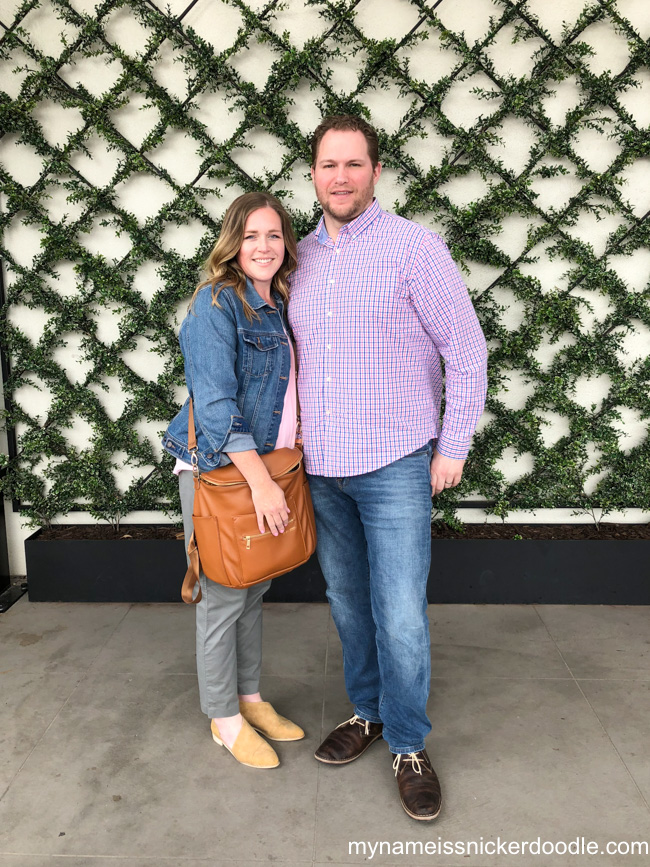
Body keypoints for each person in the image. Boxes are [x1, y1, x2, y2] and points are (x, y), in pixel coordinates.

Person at [288, 115, 488, 819]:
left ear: (375, 170)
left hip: (397, 461)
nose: (339, 176)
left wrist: (453, 445)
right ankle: (367, 709)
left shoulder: (415, 249)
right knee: (347, 602)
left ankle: (406, 741)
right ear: (311, 173)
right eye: (327, 164)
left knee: (400, 612)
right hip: (324, 468)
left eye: (353, 163)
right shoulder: (296, 258)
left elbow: (466, 350)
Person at [162, 192, 304, 769]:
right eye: (251, 236)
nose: (264, 246)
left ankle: (250, 699)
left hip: (266, 466)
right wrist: (263, 485)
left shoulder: (277, 303)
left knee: (253, 591)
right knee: (222, 598)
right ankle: (224, 720)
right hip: (224, 473)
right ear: (232, 243)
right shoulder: (214, 304)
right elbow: (216, 404)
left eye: (273, 235)